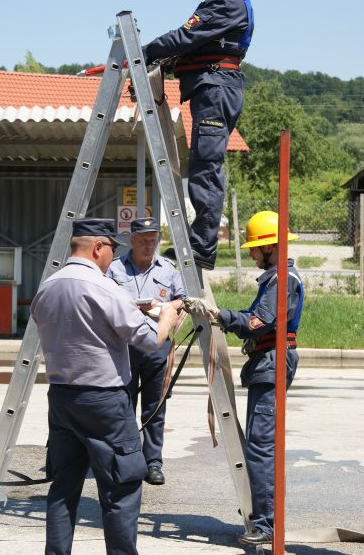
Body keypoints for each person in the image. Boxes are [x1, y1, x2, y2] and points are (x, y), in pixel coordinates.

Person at [30, 218, 179, 555]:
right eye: (112, 249)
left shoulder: (47, 286)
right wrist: (167, 318)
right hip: (105, 401)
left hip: (62, 399)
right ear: (98, 247)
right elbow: (148, 340)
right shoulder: (105, 287)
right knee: (121, 489)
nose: (113, 258)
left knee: (63, 490)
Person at [184, 211, 304, 545]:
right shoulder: (277, 279)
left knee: (262, 448)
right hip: (266, 364)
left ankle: (264, 523)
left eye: (254, 247)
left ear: (270, 246)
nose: (250, 253)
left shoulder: (284, 280)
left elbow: (259, 322)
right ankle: (262, 513)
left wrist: (220, 315)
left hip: (271, 364)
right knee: (258, 445)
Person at [141, 0, 254, 271]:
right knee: (204, 165)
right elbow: (195, 48)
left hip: (215, 89)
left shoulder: (225, 2)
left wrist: (143, 51)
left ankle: (202, 246)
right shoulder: (229, 2)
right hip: (214, 87)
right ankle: (200, 242)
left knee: (205, 166)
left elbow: (183, 37)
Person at [107, 217, 185, 485]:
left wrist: (165, 307)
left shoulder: (168, 269)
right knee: (122, 404)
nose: (149, 245)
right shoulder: (115, 269)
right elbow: (103, 298)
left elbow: (182, 300)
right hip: (123, 346)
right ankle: (126, 459)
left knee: (156, 407)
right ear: (133, 240)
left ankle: (153, 462)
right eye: (143, 241)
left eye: (153, 241)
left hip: (157, 345)